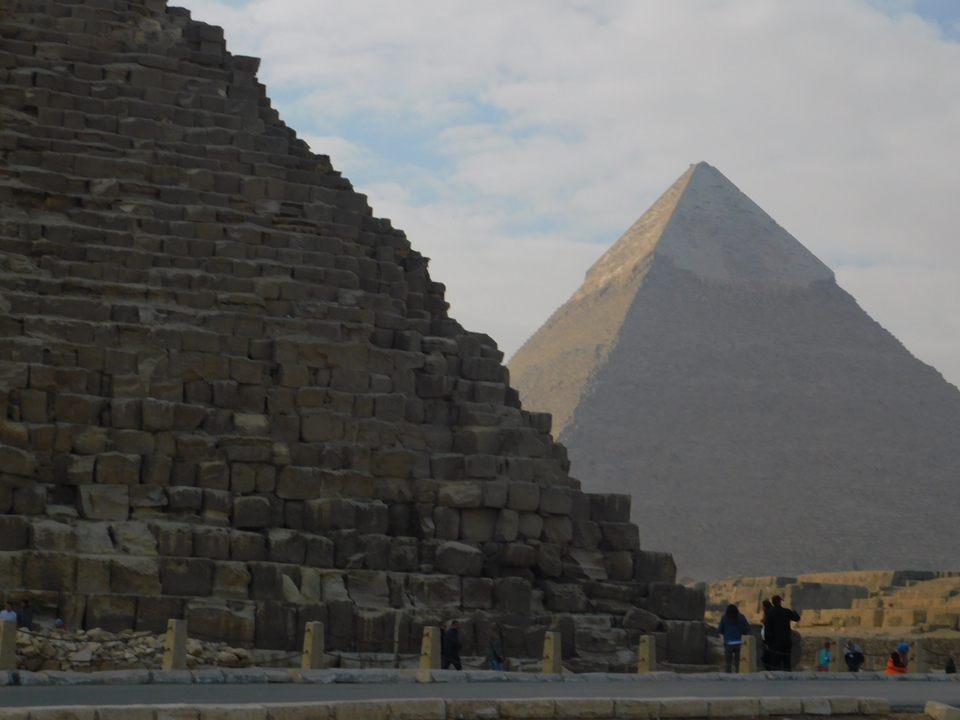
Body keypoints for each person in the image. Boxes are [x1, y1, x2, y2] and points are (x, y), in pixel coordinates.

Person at [763, 595, 800, 671]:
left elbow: (767, 629)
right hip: (786, 642)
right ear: (780, 602)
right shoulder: (786, 611)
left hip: (775, 643)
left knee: (776, 663)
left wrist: (767, 642)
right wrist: (794, 612)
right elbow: (797, 618)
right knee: (786, 662)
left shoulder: (770, 613)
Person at [717, 604, 750, 673]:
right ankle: (738, 675)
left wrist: (725, 633)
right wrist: (742, 632)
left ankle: (728, 676)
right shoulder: (741, 617)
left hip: (728, 642)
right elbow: (747, 628)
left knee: (728, 663)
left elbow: (719, 630)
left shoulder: (724, 618)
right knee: (738, 662)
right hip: (739, 642)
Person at [759, 599, 772, 670]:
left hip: (768, 640)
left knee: (765, 658)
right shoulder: (767, 614)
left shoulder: (769, 614)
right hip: (766, 639)